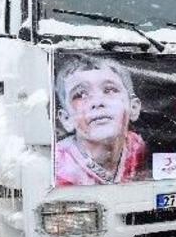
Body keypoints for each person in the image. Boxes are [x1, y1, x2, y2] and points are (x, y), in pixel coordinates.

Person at [55, 57, 148, 186]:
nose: (97, 102)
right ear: (66, 119)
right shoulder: (58, 166)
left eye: (109, 90)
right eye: (81, 94)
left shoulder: (136, 146)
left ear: (133, 107)